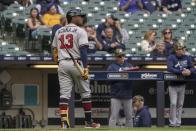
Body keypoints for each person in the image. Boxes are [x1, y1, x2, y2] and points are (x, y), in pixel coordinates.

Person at [52, 9, 100, 128]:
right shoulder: (80, 30)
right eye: (79, 16)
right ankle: (88, 122)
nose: (81, 18)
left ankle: (64, 122)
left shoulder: (58, 31)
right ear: (72, 17)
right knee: (85, 93)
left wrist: (59, 62)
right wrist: (86, 68)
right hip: (77, 63)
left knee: (64, 94)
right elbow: (83, 51)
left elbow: (54, 50)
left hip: (62, 63)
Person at [107, 48, 139, 128]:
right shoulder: (112, 67)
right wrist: (121, 76)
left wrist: (126, 74)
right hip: (115, 95)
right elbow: (108, 80)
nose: (121, 58)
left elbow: (133, 79)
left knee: (129, 117)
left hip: (127, 95)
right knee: (113, 117)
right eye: (119, 56)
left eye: (123, 56)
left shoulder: (129, 66)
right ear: (116, 57)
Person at [167, 41, 196, 127]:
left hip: (182, 84)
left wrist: (189, 71)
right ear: (176, 50)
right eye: (181, 49)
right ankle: (172, 122)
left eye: (184, 49)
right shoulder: (171, 57)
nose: (183, 50)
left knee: (180, 104)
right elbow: (170, 68)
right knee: (173, 103)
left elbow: (192, 67)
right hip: (172, 84)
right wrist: (181, 72)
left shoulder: (187, 57)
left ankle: (178, 122)